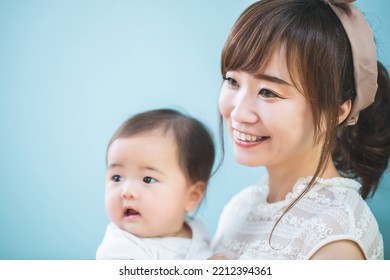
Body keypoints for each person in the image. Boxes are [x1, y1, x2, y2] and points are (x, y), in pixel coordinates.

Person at [212, 0, 390, 260]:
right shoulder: (241, 208)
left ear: (335, 112)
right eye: (232, 80)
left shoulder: (335, 237)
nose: (238, 112)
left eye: (268, 92)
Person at [96, 108, 215, 259]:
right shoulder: (121, 249)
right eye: (117, 178)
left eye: (148, 179)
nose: (126, 191)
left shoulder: (197, 230)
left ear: (192, 196)